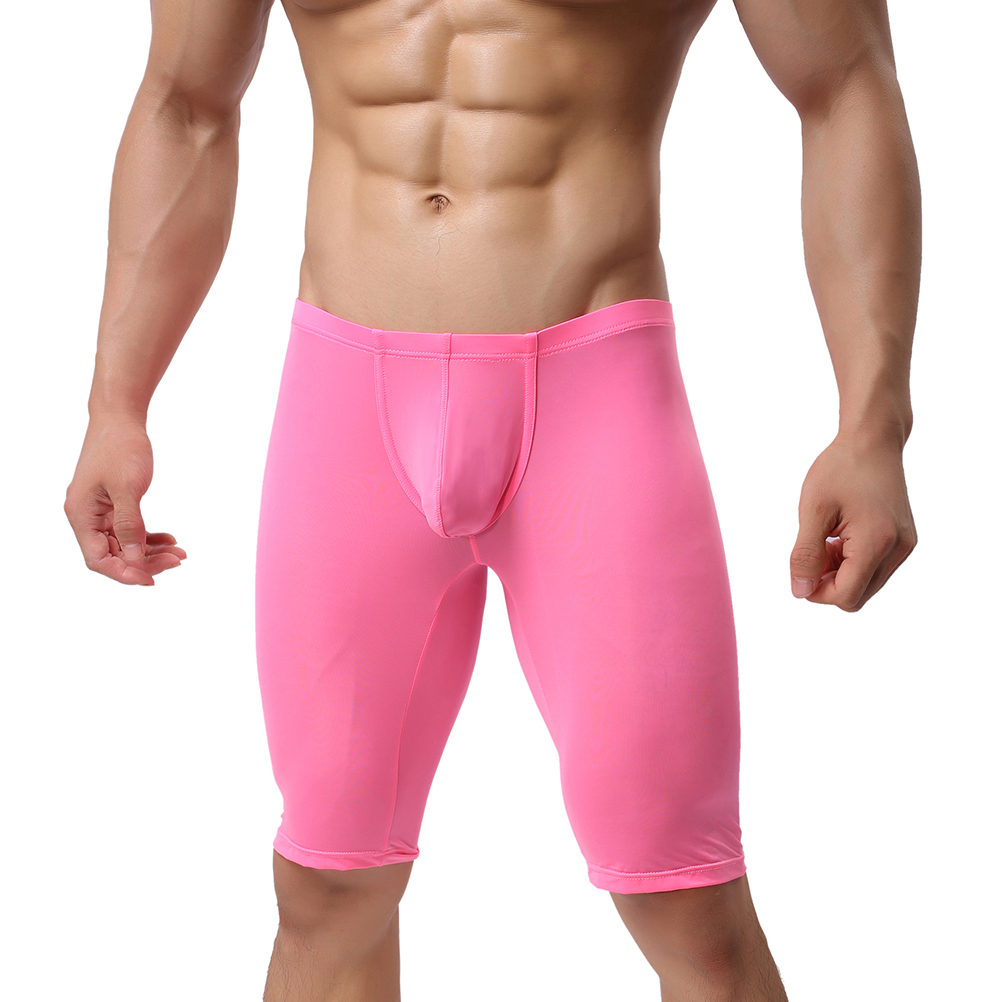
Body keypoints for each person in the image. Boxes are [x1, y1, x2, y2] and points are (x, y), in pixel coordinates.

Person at [63, 0, 919, 998]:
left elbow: (845, 87)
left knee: (685, 897)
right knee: (327, 889)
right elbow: (185, 103)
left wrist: (874, 424)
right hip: (345, 409)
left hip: (595, 404)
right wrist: (116, 402)